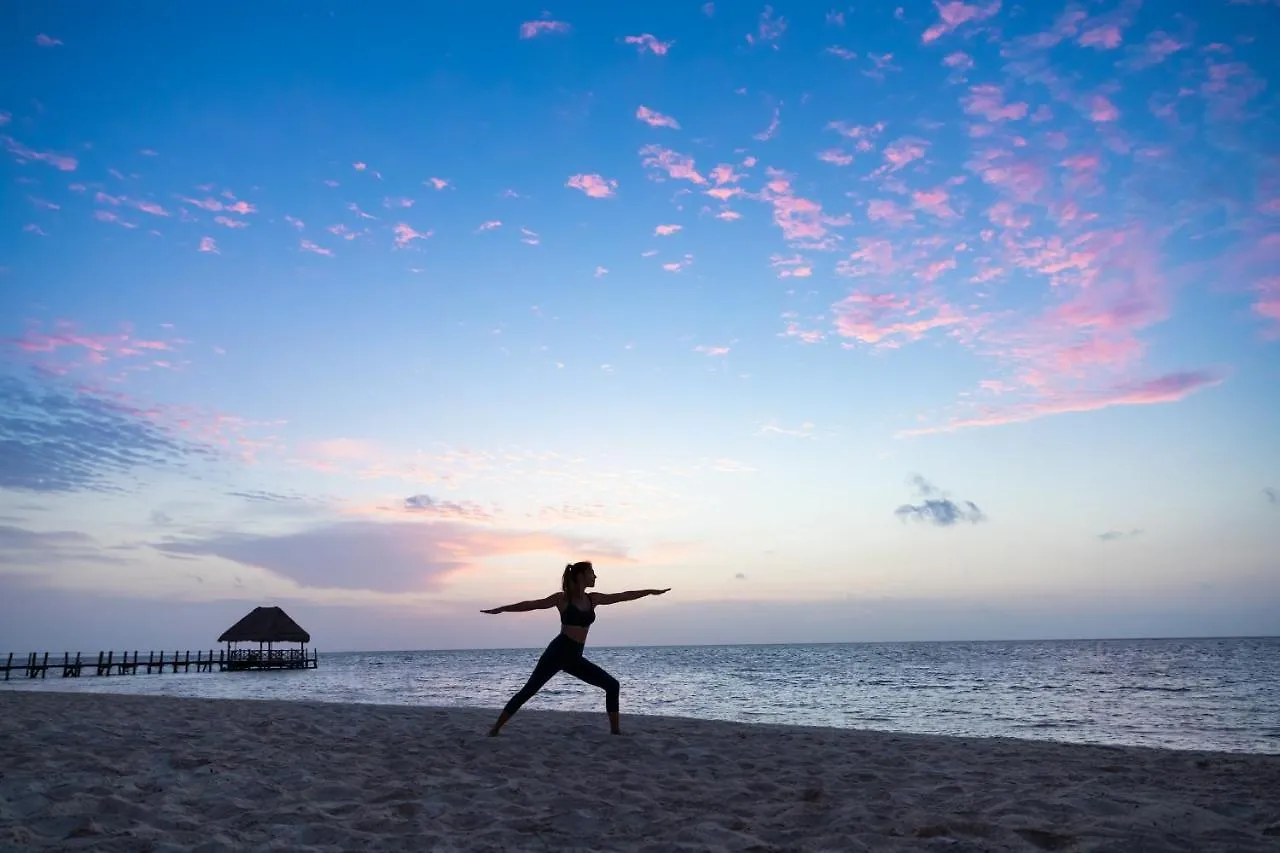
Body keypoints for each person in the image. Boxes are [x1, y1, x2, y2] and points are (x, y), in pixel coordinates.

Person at [481, 561, 670, 736]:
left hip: (574, 656)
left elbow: (622, 596)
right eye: (592, 573)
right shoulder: (562, 599)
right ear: (581, 576)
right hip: (557, 652)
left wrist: (650, 592)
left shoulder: (593, 599)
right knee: (529, 690)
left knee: (612, 685)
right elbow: (532, 605)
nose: (595, 577)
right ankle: (495, 729)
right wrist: (502, 609)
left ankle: (615, 731)